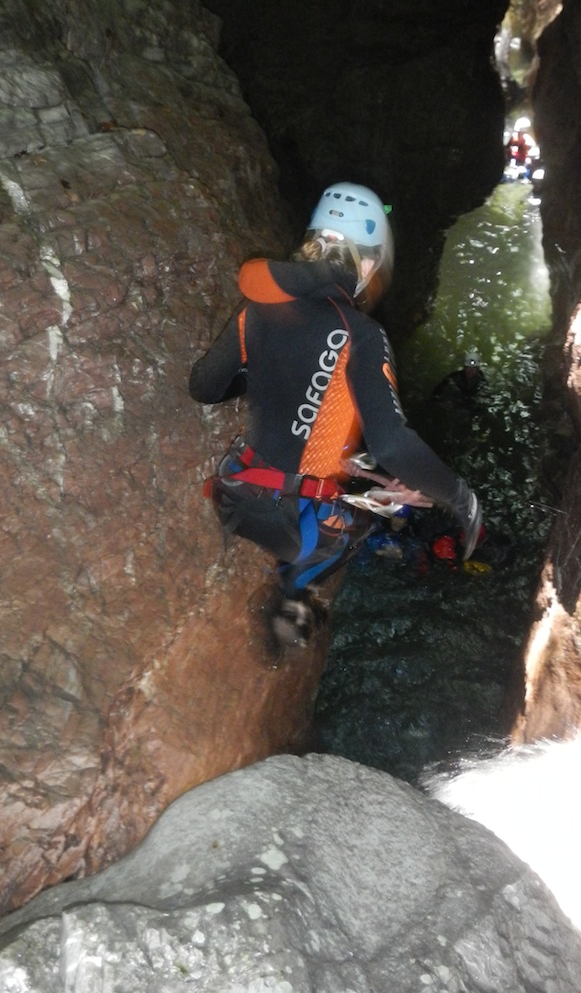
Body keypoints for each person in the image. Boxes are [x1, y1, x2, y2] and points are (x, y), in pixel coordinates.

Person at [189, 182, 482, 648]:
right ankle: (292, 595)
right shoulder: (362, 333)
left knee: (339, 475)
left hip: (233, 495)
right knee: (358, 527)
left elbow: (204, 389)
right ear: (366, 264)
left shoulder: (257, 308)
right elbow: (392, 443)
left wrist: (265, 371)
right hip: (289, 528)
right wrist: (461, 499)